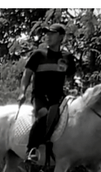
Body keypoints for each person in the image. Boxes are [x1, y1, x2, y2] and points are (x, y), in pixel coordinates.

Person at [20, 23, 77, 162]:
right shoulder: (38, 55)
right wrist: (22, 92)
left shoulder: (67, 57)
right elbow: (26, 75)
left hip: (58, 98)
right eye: (47, 34)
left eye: (52, 34)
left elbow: (70, 77)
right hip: (40, 96)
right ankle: (32, 149)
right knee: (44, 114)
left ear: (61, 37)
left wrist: (73, 89)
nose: (48, 36)